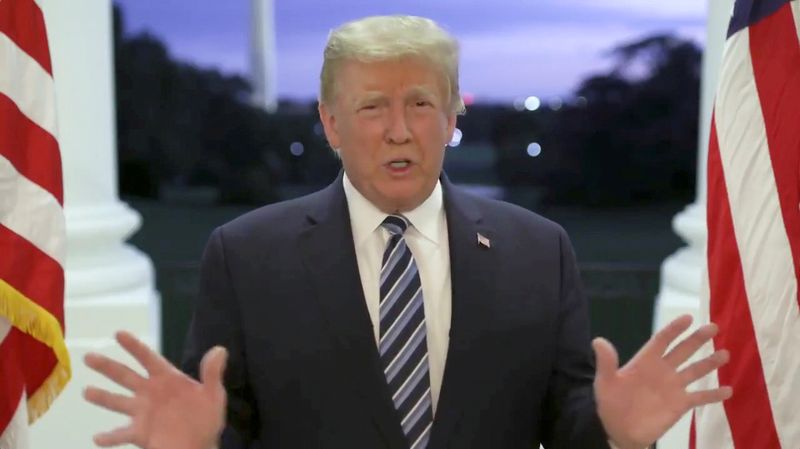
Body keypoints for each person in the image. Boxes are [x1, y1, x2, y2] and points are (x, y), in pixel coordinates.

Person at [83, 15, 731, 449]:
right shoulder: (246, 254)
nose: (399, 129)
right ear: (331, 124)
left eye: (421, 103)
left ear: (451, 116)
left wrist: (618, 432)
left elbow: (568, 422)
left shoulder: (540, 249)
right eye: (372, 107)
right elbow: (230, 423)